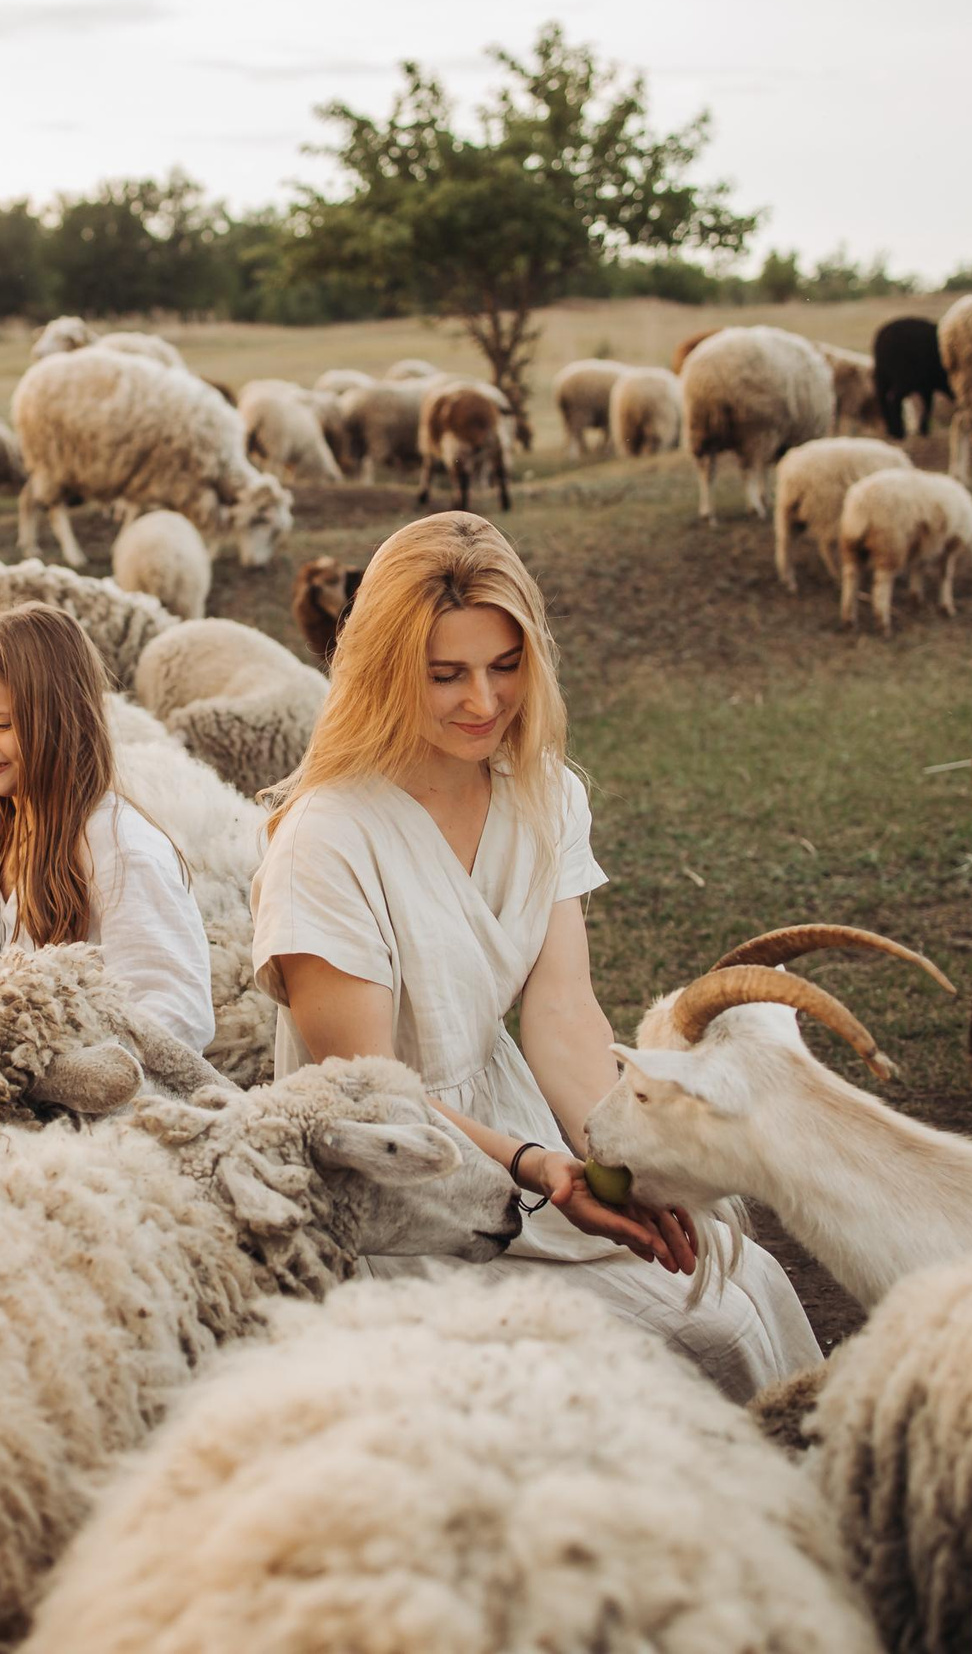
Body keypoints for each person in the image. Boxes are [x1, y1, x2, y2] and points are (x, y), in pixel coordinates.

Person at [251, 512, 820, 1398]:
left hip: (519, 1130)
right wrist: (536, 1166)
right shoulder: (328, 839)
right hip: (400, 1179)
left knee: (746, 1280)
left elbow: (561, 1012)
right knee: (698, 1337)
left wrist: (627, 1159)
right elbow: (367, 1089)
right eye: (446, 675)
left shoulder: (542, 791)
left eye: (505, 666)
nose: (483, 701)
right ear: (385, 671)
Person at [0, 602, 214, 1053]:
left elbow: (177, 1013)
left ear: (59, 720)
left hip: (99, 1114)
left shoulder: (122, 854)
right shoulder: (9, 832)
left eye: (2, 724)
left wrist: (70, 1075)